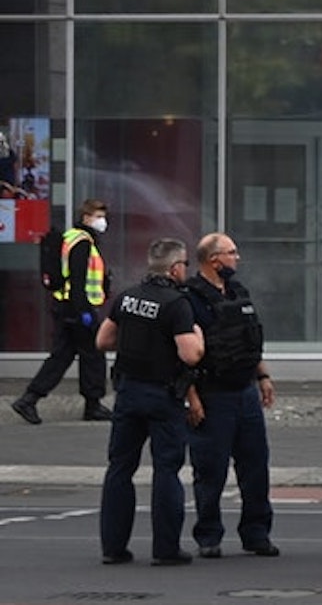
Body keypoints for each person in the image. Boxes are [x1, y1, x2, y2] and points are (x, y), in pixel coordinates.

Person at [96, 237, 204, 566]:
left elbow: (103, 340)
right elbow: (190, 354)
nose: (187, 269)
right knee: (166, 470)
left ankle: (113, 547)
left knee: (119, 468)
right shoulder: (176, 303)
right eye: (185, 264)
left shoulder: (128, 297)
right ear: (174, 268)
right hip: (162, 394)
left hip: (128, 392)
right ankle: (166, 548)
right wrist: (198, 336)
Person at [180, 233, 279, 559]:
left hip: (245, 391)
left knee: (255, 467)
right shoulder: (190, 298)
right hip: (212, 394)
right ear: (213, 260)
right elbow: (180, 355)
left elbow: (253, 340)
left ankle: (256, 534)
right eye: (231, 253)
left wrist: (263, 376)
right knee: (210, 471)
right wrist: (191, 397)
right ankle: (209, 535)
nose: (237, 258)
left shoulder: (239, 292)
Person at [14, 199, 113, 424]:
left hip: (65, 306)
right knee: (93, 356)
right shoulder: (82, 243)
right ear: (86, 217)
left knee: (61, 356)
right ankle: (93, 405)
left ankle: (29, 399)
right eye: (98, 216)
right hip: (78, 307)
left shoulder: (71, 237)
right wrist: (84, 313)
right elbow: (77, 280)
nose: (102, 221)